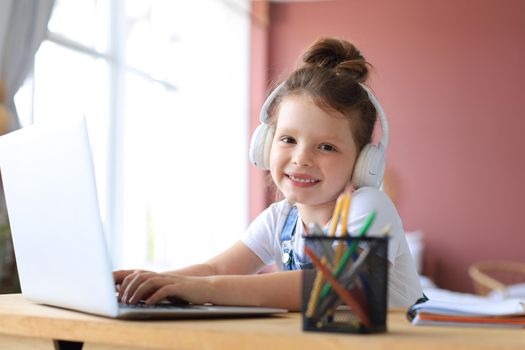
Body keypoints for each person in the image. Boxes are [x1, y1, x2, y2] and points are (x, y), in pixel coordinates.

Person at [114, 37, 423, 310]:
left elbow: (331, 285)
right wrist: (151, 281)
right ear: (265, 145)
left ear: (362, 162)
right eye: (288, 139)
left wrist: (204, 290)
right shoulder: (280, 219)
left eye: (326, 147)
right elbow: (217, 267)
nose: (301, 158)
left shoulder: (369, 206)